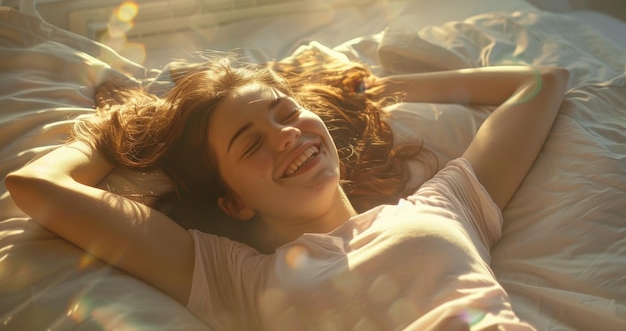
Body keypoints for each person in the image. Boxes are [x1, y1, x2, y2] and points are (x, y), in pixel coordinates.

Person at [5, 51, 569, 330]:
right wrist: (130, 128)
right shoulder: (239, 279)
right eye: (251, 145)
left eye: (287, 113)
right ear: (234, 202)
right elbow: (36, 187)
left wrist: (368, 87)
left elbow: (541, 82)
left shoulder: (446, 203)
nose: (285, 136)